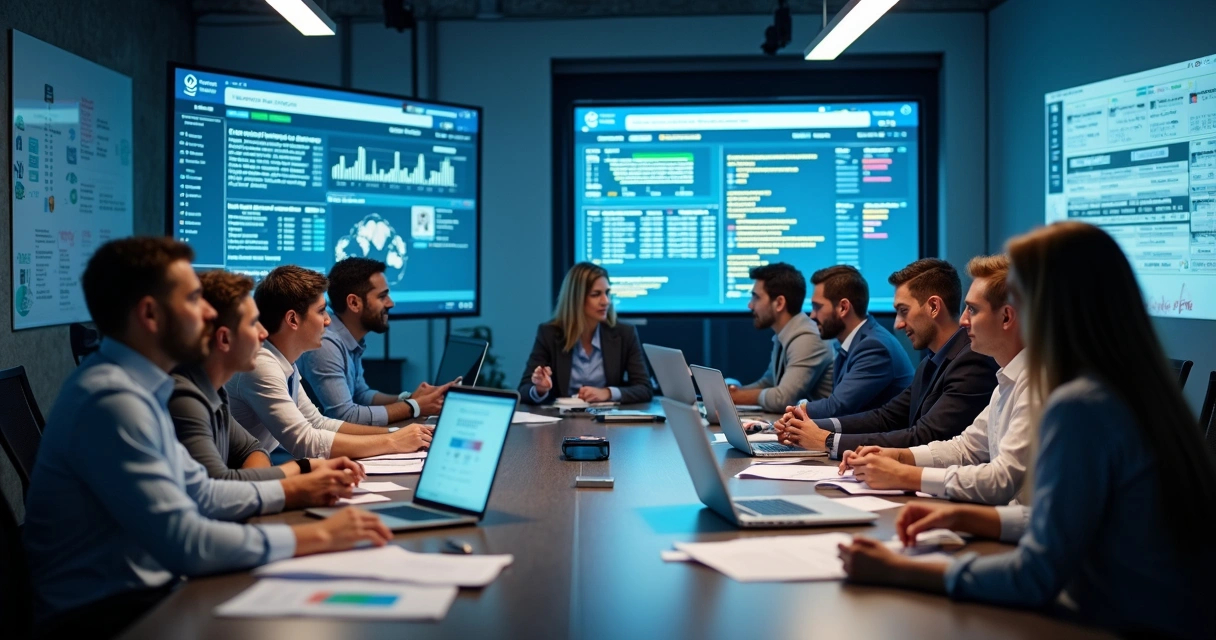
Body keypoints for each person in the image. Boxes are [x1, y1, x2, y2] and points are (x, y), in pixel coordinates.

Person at [837, 222, 1216, 640]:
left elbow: (1037, 574)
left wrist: (900, 571)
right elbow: (1067, 525)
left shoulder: (1078, 404)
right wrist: (962, 514)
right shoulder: (1130, 385)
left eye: (1016, 296)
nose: (1008, 311)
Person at [22, 238, 394, 637]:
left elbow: (202, 492)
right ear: (150, 314)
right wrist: (320, 534)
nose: (207, 312)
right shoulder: (113, 400)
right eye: (194, 298)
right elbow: (187, 542)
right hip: (107, 617)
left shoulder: (141, 387)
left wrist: (297, 491)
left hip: (145, 594)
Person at [836, 255, 1032, 505]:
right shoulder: (1007, 379)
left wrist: (905, 474)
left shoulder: (1037, 382)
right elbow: (965, 448)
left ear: (1006, 317)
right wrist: (897, 456)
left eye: (972, 309)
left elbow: (1001, 480)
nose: (963, 320)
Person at [776, 258, 998, 459]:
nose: (898, 324)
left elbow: (925, 436)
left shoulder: (972, 360)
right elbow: (886, 417)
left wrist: (827, 440)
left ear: (933, 306)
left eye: (903, 310)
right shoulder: (932, 360)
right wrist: (808, 427)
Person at [170, 270, 366, 482]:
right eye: (253, 323)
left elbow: (252, 450)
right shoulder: (186, 397)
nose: (263, 334)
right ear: (224, 339)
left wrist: (298, 470)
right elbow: (217, 487)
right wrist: (300, 474)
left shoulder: (215, 391)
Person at [227, 265, 432, 459]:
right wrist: (393, 441)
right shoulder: (261, 365)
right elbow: (305, 441)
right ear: (292, 320)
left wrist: (397, 432)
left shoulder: (284, 362)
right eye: (321, 311)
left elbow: (317, 423)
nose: (327, 320)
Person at [299, 257, 453, 425]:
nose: (391, 303)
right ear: (354, 303)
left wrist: (408, 398)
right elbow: (345, 416)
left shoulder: (348, 338)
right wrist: (415, 406)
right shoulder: (326, 344)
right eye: (382, 297)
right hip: (295, 451)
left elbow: (361, 395)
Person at [519, 262, 652, 404]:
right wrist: (540, 389)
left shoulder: (624, 333)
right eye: (596, 295)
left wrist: (607, 393)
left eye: (607, 293)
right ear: (576, 299)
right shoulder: (549, 333)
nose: (605, 301)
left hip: (607, 420)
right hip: (561, 421)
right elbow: (524, 389)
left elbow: (644, 388)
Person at [801, 265, 914, 418]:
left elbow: (836, 407)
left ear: (843, 307)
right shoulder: (855, 342)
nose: (812, 315)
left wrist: (794, 410)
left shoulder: (874, 346)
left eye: (817, 307)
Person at [728, 262, 833, 413]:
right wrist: (732, 393)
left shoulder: (808, 338)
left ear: (779, 303)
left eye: (756, 298)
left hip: (822, 431)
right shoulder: (785, 334)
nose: (750, 305)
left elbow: (782, 398)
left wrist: (733, 398)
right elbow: (769, 383)